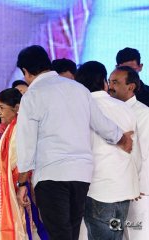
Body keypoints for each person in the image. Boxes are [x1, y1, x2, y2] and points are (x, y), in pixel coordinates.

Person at [15, 45, 133, 240]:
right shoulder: (78, 89)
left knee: (60, 235)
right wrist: (121, 138)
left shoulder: (32, 96)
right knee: (72, 233)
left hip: (51, 175)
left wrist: (22, 182)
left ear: (25, 72)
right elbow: (101, 123)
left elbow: (26, 141)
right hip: (81, 175)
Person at [76, 61, 140, 240]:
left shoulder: (82, 109)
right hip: (124, 189)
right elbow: (136, 152)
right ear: (104, 82)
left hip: (99, 190)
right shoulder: (125, 108)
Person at [0, 88, 48, 240]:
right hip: (7, 187)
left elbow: (20, 164)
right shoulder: (12, 127)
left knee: (27, 228)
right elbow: (10, 160)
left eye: (2, 108)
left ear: (16, 108)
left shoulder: (20, 128)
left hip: (18, 188)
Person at [108, 66, 149, 240]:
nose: (110, 86)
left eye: (115, 82)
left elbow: (146, 153)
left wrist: (140, 188)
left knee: (137, 234)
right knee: (117, 234)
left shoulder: (143, 114)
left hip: (138, 194)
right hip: (115, 191)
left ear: (131, 87)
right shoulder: (109, 111)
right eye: (109, 81)